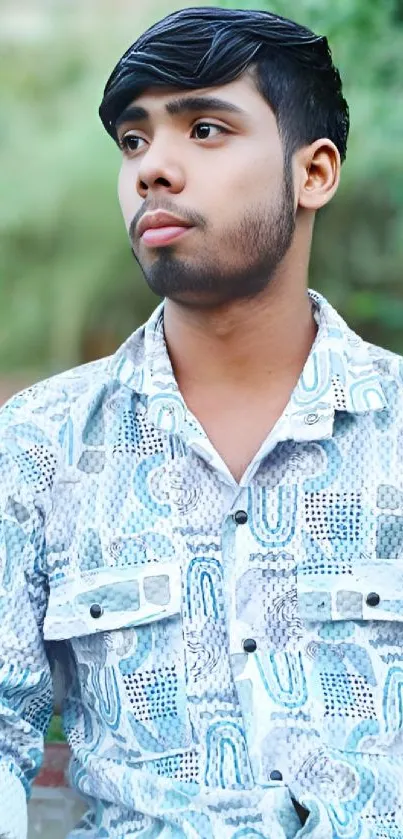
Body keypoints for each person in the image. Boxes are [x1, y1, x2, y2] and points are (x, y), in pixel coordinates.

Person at [0, 5, 402, 838]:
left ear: (314, 172)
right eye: (134, 141)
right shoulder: (40, 447)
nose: (153, 169)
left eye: (206, 129)